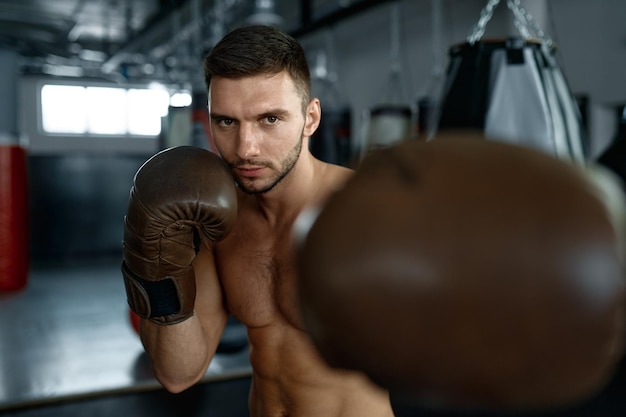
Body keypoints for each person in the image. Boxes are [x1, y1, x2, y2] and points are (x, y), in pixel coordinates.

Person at [122, 24, 394, 417]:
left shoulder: (367, 210)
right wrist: (155, 264)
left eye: (270, 119)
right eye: (227, 122)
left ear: (310, 118)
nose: (245, 148)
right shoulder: (215, 222)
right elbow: (178, 374)